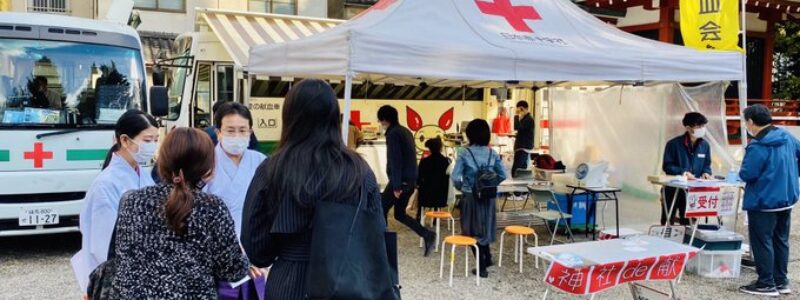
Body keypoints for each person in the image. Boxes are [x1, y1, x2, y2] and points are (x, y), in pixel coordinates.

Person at [241, 79, 387, 299]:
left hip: (289, 281)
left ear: (289, 116)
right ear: (333, 116)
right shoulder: (359, 169)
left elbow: (256, 248)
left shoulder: (272, 168)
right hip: (347, 281)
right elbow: (377, 231)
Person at [111, 128, 260, 299]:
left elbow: (122, 255)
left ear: (163, 161)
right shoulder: (212, 207)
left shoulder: (132, 201)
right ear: (208, 168)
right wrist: (246, 265)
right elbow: (232, 270)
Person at [71, 109, 158, 292]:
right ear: (124, 140)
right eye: (147, 140)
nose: (152, 146)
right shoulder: (106, 185)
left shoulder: (143, 174)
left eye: (156, 140)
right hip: (118, 277)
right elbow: (103, 244)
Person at [738, 105, 800, 297]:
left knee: (762, 241)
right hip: (786, 199)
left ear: (750, 122)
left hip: (763, 201)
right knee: (780, 241)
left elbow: (748, 173)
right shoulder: (787, 137)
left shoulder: (758, 145)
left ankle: (765, 283)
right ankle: (781, 281)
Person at [377, 105, 436, 256]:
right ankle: (427, 234)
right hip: (409, 179)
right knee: (399, 214)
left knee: (381, 208)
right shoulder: (405, 131)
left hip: (400, 181)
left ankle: (382, 244)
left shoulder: (393, 134)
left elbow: (396, 160)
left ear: (384, 119)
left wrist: (396, 186)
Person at [451, 119, 507, 278]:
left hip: (470, 196)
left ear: (470, 134)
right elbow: (503, 174)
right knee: (485, 226)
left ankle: (481, 267)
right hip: (488, 196)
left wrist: (463, 188)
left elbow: (455, 177)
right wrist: (490, 184)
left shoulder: (464, 153)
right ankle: (487, 257)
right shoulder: (492, 153)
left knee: (471, 230)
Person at [204, 102, 266, 237]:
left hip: (253, 241)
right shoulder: (204, 162)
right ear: (218, 132)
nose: (237, 136)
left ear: (250, 132)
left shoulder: (261, 161)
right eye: (230, 131)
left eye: (243, 130)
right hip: (215, 241)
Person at [661, 112, 712, 225]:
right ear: (688, 128)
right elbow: (667, 165)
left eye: (703, 126)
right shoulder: (673, 144)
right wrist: (683, 172)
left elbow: (707, 164)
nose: (702, 129)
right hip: (672, 189)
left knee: (689, 222)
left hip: (692, 191)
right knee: (667, 221)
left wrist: (706, 173)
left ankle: (686, 241)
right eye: (698, 127)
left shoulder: (705, 145)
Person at [416, 137, 450, 220]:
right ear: (440, 148)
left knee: (422, 189)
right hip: (441, 196)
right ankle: (436, 216)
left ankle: (419, 214)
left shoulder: (424, 161)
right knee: (438, 187)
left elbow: (419, 177)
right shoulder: (445, 161)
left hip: (426, 196)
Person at [511, 101, 534, 177]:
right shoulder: (524, 119)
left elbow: (517, 127)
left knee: (516, 170)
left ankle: (518, 186)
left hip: (523, 148)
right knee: (520, 170)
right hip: (521, 147)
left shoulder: (529, 119)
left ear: (526, 108)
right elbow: (522, 131)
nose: (520, 111)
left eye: (521, 109)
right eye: (518, 109)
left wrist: (516, 115)